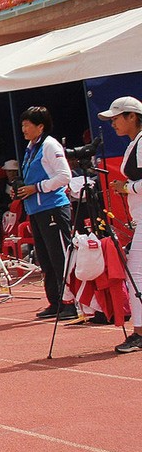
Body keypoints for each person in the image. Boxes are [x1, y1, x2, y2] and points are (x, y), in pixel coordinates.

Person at [16, 106, 75, 320]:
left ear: (40, 126)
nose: (23, 128)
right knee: (45, 258)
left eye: (27, 124)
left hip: (53, 208)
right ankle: (56, 301)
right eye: (22, 124)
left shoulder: (50, 145)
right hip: (36, 210)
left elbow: (64, 176)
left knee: (60, 256)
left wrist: (37, 187)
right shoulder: (31, 147)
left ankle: (71, 302)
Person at [99, 96, 142, 354]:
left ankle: (139, 332)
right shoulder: (134, 144)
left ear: (132, 117)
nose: (113, 123)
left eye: (116, 118)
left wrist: (126, 187)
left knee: (135, 273)